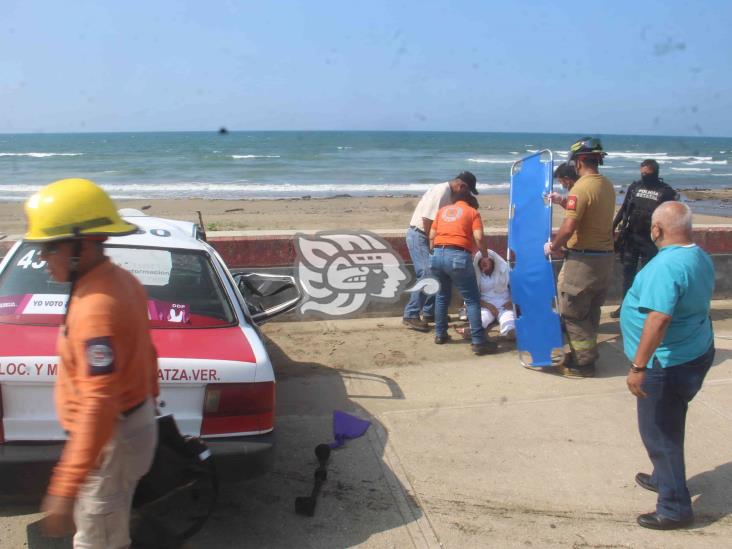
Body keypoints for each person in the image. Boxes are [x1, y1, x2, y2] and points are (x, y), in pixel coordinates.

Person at [26, 178, 159, 548]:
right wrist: (149, 399)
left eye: (48, 247)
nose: (41, 257)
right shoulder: (121, 281)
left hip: (111, 440)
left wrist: (65, 488)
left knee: (97, 539)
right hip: (127, 427)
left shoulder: (95, 306)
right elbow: (148, 353)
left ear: (80, 245)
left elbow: (98, 403)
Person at [621, 201, 714, 530]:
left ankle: (674, 507)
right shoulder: (698, 255)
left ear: (656, 230)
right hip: (695, 351)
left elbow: (658, 319)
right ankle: (664, 476)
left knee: (660, 434)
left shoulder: (666, 267)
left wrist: (638, 365)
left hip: (667, 364)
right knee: (671, 421)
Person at [544, 137, 616, 378]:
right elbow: (590, 216)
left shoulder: (581, 187)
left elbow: (569, 227)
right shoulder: (606, 185)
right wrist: (564, 201)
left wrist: (554, 246)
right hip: (604, 260)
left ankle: (583, 363)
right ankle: (588, 352)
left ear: (579, 161)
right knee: (591, 312)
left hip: (584, 261)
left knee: (572, 312)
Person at [403, 171, 480, 332]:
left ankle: (430, 312)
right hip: (419, 235)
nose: (467, 194)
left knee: (437, 274)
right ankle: (411, 314)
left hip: (430, 238)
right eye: (467, 190)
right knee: (426, 274)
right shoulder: (441, 191)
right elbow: (427, 221)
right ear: (461, 186)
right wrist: (435, 244)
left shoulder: (451, 196)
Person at [429, 189, 497, 355]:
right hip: (458, 256)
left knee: (442, 296)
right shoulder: (472, 212)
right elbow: (479, 238)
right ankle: (478, 342)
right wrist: (485, 256)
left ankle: (440, 334)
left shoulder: (442, 211)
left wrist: (435, 253)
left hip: (437, 255)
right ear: (470, 201)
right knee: (472, 300)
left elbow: (431, 235)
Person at [610, 159, 679, 318]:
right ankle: (625, 306)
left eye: (647, 173)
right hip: (631, 238)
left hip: (652, 241)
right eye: (642, 173)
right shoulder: (635, 187)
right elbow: (624, 209)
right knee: (628, 274)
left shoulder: (666, 192)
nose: (644, 176)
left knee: (648, 275)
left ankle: (645, 306)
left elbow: (671, 217)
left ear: (656, 172)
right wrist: (612, 227)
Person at [455, 250, 515, 340]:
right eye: (481, 261)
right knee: (481, 318)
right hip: (486, 306)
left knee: (508, 320)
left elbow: (517, 288)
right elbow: (471, 296)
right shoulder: (476, 274)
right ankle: (472, 332)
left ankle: (509, 334)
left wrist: (512, 301)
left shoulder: (504, 270)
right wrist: (487, 305)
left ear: (493, 261)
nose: (483, 263)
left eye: (486, 260)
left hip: (504, 305)